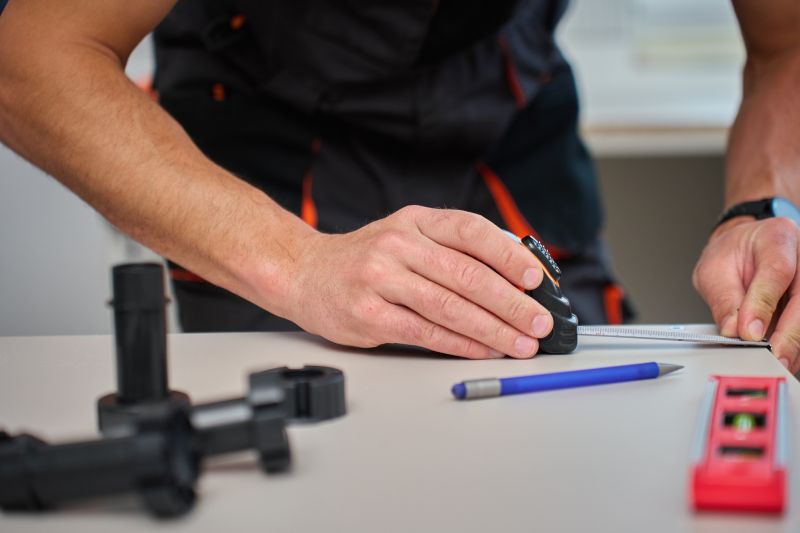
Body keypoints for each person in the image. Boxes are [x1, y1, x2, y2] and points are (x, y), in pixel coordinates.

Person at [0, 1, 798, 370]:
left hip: (505, 124)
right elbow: (29, 60)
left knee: (574, 402)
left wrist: (763, 207)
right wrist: (298, 265)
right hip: (274, 161)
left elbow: (784, 44)